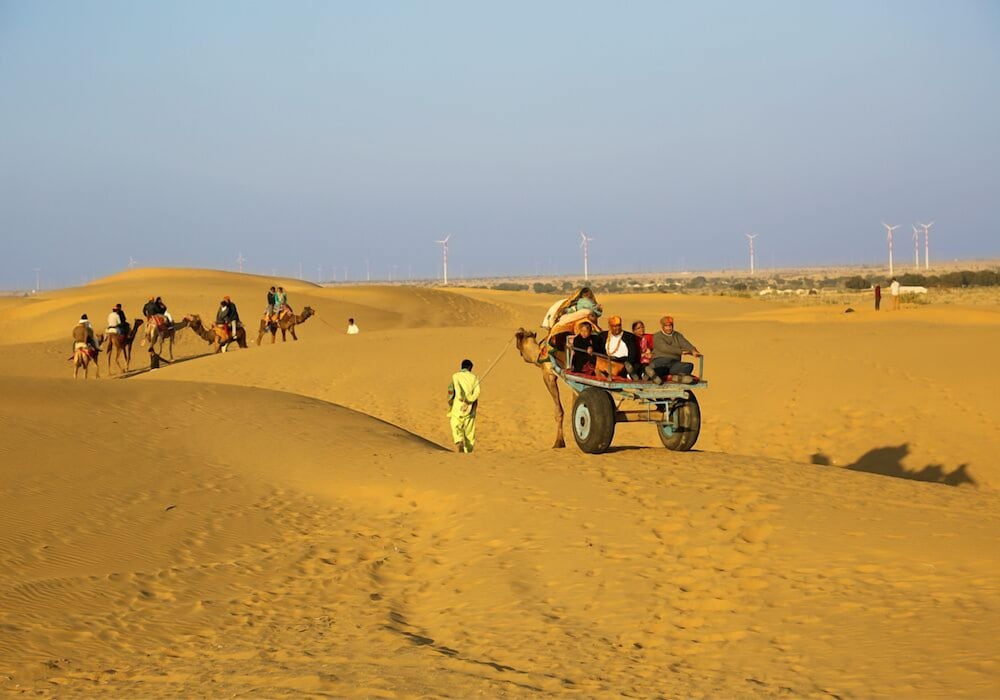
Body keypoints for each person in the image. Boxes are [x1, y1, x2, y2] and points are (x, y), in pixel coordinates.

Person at [644, 315, 701, 385]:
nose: (668, 328)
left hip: (674, 363)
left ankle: (676, 377)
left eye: (670, 326)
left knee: (689, 366)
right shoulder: (657, 336)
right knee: (661, 369)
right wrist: (680, 351)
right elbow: (664, 347)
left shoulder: (677, 335)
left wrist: (693, 350)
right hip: (661, 360)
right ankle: (651, 375)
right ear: (662, 326)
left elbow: (684, 343)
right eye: (666, 326)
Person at [447, 359, 480, 453]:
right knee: (469, 431)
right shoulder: (474, 377)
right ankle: (468, 450)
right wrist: (471, 401)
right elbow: (477, 392)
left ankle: (458, 441)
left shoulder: (455, 376)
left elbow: (451, 390)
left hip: (458, 405)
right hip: (470, 406)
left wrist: (450, 403)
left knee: (455, 424)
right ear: (470, 368)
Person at [594, 315, 641, 380]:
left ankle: (630, 374)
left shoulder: (629, 337)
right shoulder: (602, 336)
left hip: (623, 362)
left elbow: (633, 354)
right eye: (615, 326)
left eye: (619, 326)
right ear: (610, 327)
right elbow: (597, 349)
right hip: (608, 361)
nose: (617, 328)